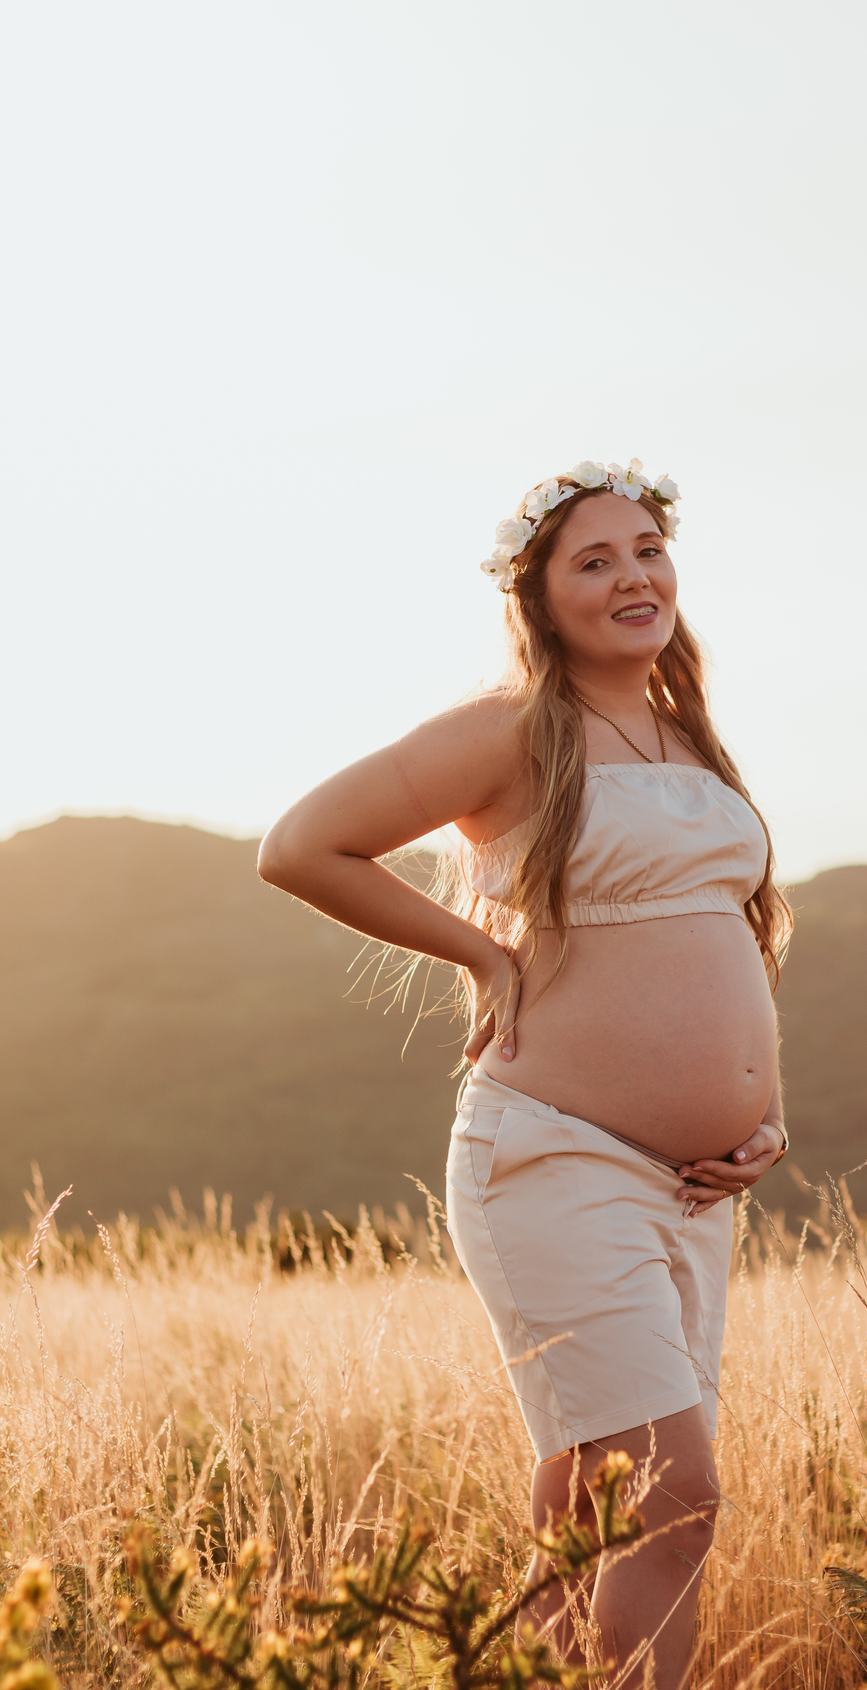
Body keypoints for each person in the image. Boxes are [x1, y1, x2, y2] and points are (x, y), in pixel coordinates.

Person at [257, 459, 792, 1689]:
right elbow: (301, 845)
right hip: (555, 1155)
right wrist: (482, 958)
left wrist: (761, 1109)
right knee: (674, 1497)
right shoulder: (508, 729)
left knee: (589, 1499)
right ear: (540, 599)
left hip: (691, 1188)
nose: (631, 575)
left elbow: (717, 942)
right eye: (592, 561)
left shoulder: (686, 734)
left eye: (646, 548)